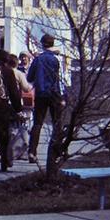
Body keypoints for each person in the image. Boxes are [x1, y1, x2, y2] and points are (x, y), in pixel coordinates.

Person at [26, 34, 63, 164]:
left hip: (41, 94)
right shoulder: (57, 59)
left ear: (42, 44)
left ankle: (32, 151)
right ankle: (58, 152)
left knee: (37, 123)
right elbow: (62, 79)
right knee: (57, 123)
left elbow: (29, 77)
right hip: (54, 94)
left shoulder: (38, 59)